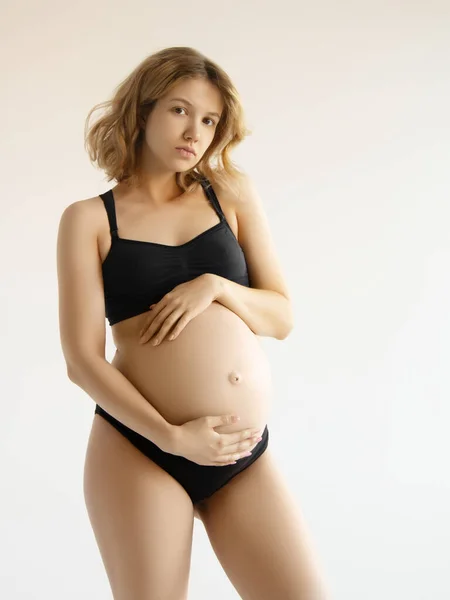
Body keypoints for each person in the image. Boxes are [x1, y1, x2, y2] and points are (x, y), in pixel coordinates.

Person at [57, 46, 327, 600]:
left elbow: (281, 316)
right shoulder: (88, 220)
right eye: (180, 111)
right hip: (142, 448)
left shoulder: (228, 193)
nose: (195, 133)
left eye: (209, 121)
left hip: (240, 453)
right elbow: (82, 360)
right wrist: (174, 437)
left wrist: (217, 286)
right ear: (143, 111)